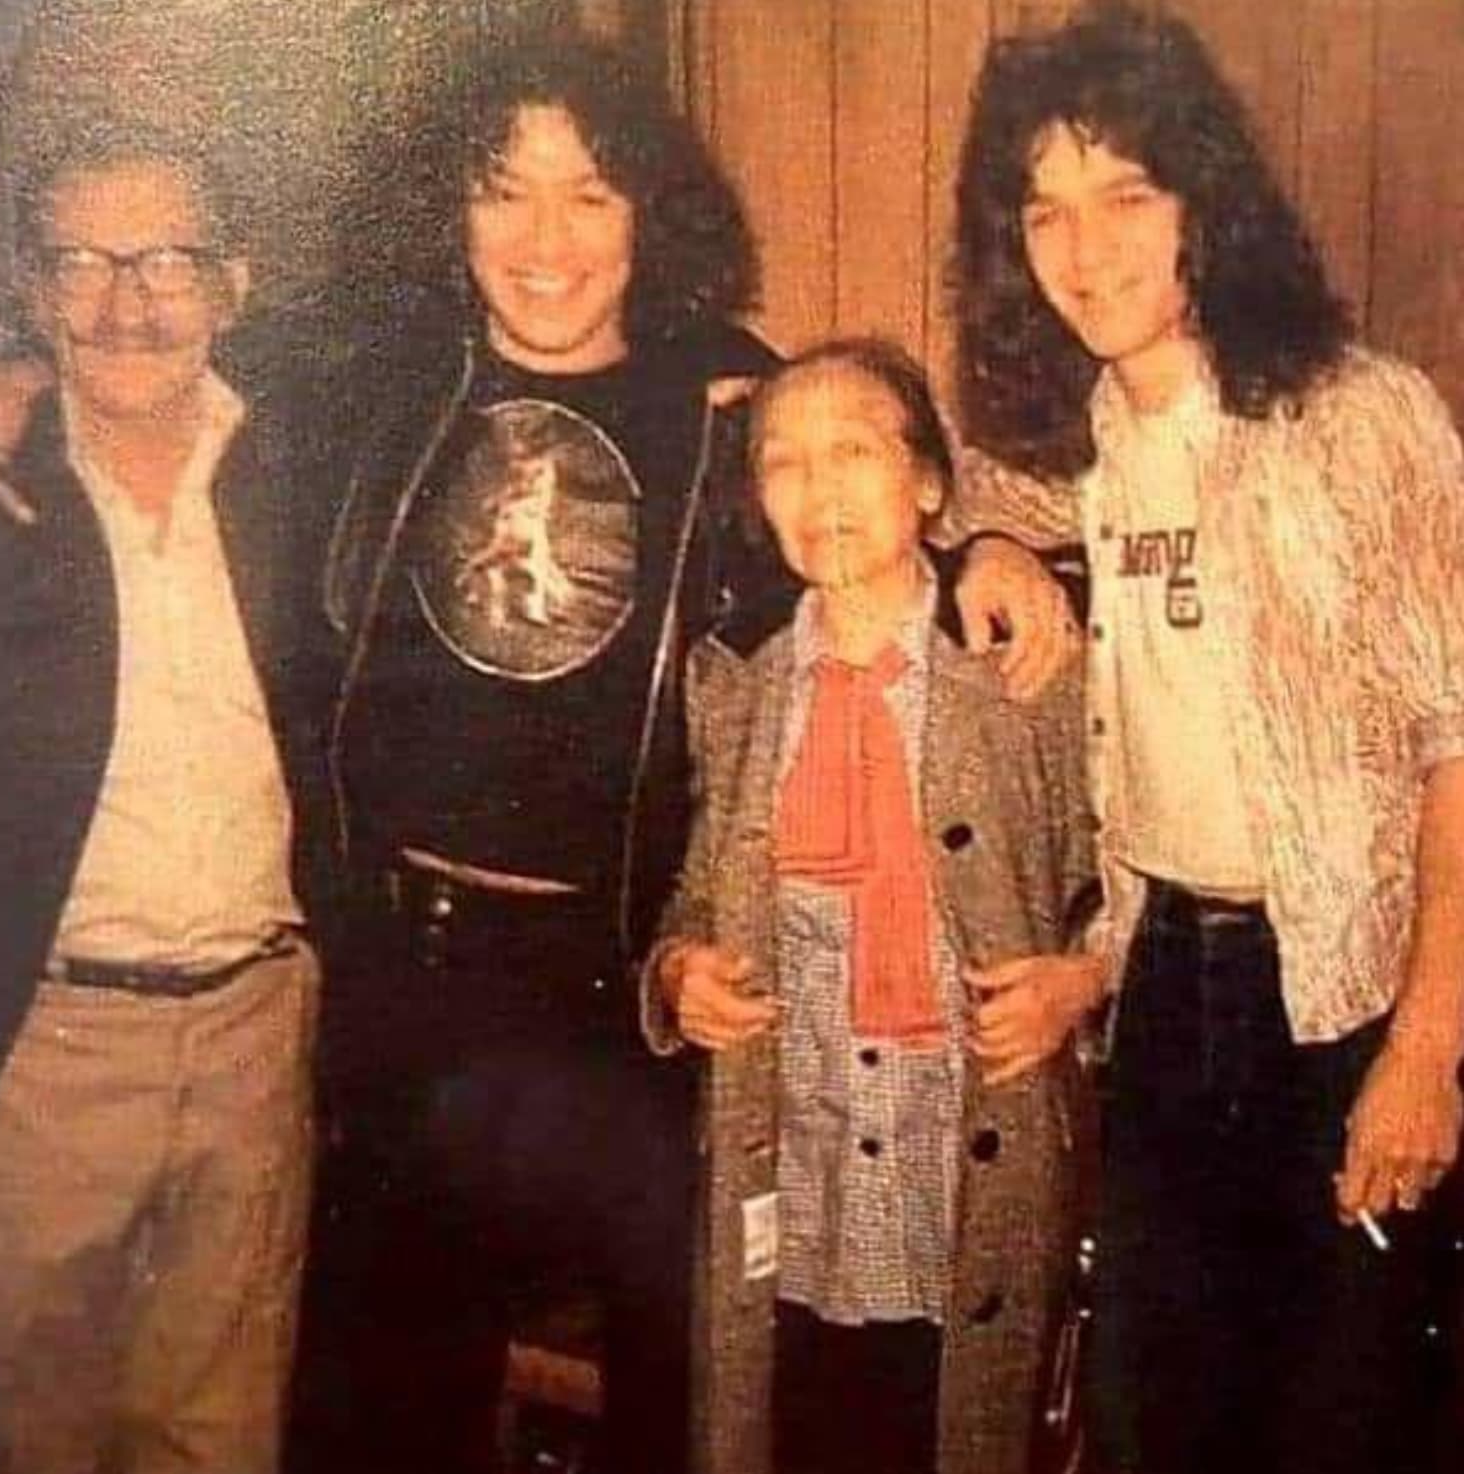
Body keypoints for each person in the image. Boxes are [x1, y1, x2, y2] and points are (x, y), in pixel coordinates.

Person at [951, 7, 1464, 1473]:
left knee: (1345, 1418)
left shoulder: (1363, 416)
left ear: (1203, 204)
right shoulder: (1076, 441)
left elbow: (1460, 732)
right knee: (1156, 1414)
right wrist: (987, 539)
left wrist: (1429, 1046)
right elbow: (989, 492)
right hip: (1168, 981)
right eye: (1043, 210)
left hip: (1350, 993)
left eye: (1127, 195)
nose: (1084, 247)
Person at [291, 33, 786, 1474]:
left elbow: (889, 495)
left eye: (594, 196)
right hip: (395, 987)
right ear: (449, 212)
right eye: (505, 192)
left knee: (664, 1414)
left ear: (654, 217)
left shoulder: (732, 413)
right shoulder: (365, 397)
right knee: (378, 1415)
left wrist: (1000, 546)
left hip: (616, 998)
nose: (547, 241)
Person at [642, 338, 1100, 1474]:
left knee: (947, 1423)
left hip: (961, 1147)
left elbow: (1129, 874)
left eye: (852, 450)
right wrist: (675, 971)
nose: (820, 488)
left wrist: (1080, 980)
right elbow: (687, 889)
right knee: (795, 1418)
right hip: (791, 1146)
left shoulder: (1021, 666)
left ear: (930, 484)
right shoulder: (731, 680)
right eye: (784, 463)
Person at [0, 122, 333, 1474]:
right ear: (30, 290)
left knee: (218, 1440)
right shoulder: (2, 479)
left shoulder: (307, 465)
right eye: (81, 261)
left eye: (169, 261)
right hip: (45, 1047)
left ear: (234, 284)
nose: (126, 303)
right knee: (30, 1436)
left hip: (260, 1034)